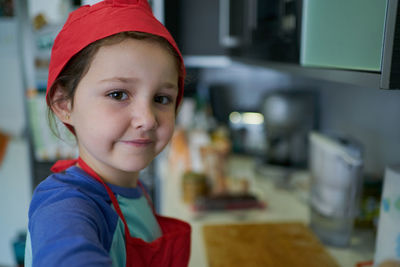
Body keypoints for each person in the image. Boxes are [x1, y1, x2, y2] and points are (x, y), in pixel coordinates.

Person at [24, 0, 191, 266]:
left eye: (161, 98)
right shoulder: (67, 204)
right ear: (64, 104)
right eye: (118, 94)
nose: (147, 120)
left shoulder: (132, 188)